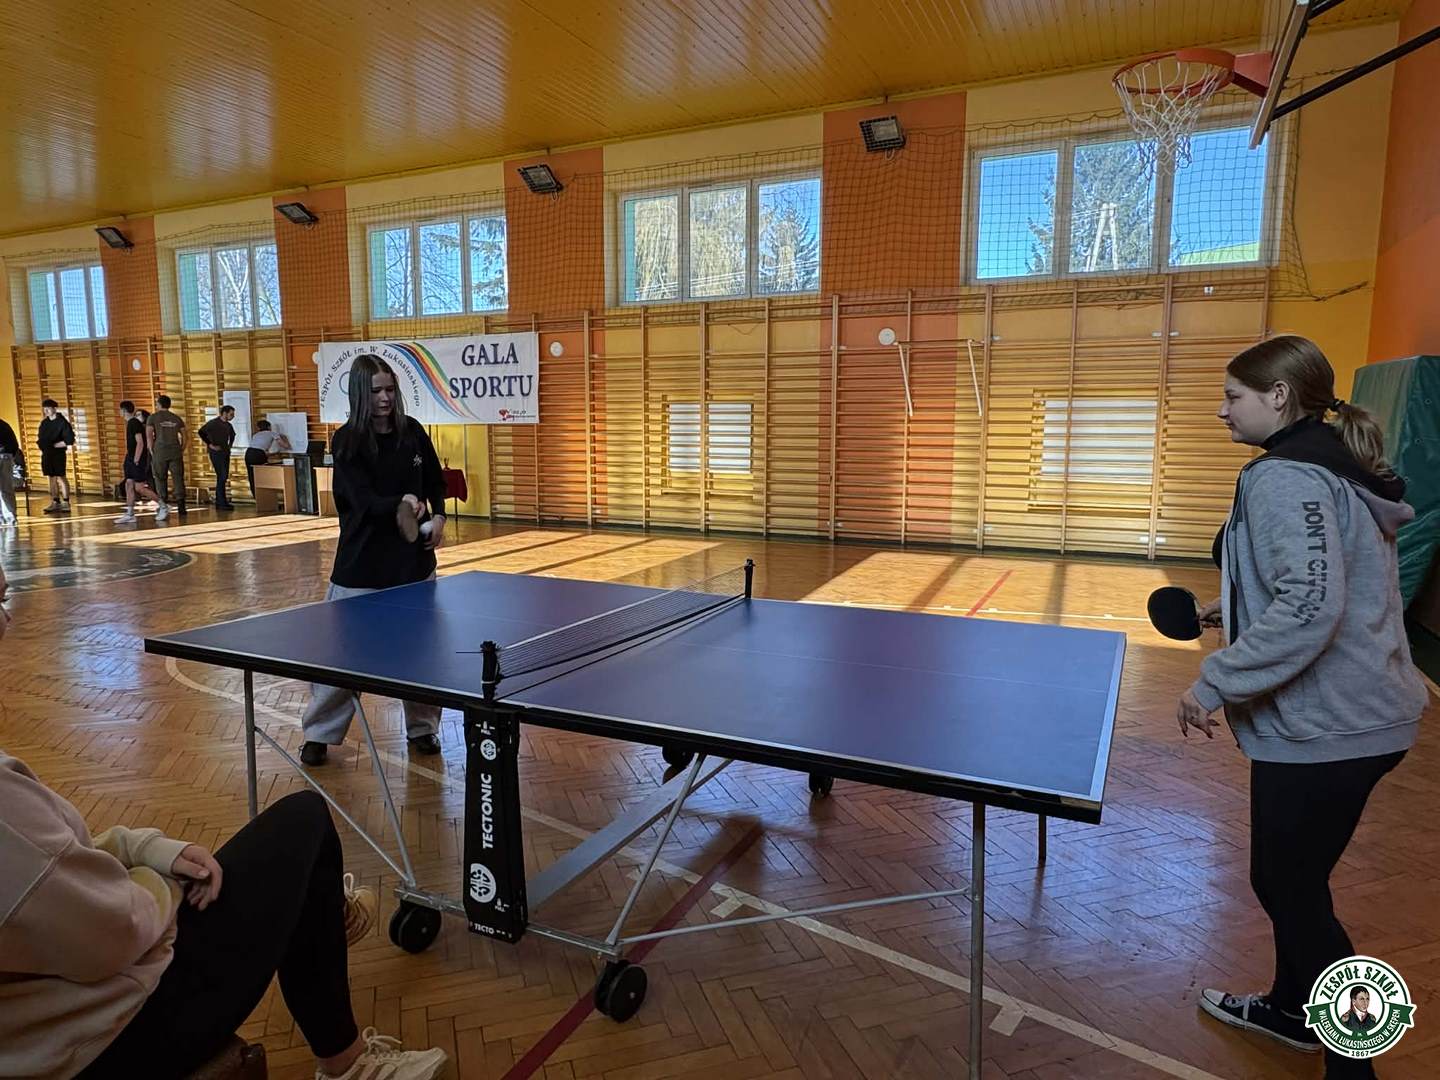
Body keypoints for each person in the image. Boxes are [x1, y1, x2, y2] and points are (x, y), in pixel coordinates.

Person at [0, 560, 446, 1080]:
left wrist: (146, 848)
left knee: (294, 856)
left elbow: (50, 872)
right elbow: (115, 930)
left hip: (56, 1021)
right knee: (305, 822)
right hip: (104, 1040)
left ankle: (315, 911)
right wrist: (164, 881)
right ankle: (343, 1051)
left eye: (6, 598)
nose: (7, 620)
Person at [1182, 336, 1426, 1079]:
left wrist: (1215, 680)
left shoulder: (1284, 477)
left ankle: (1357, 1065)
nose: (1222, 411)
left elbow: (1311, 607)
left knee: (1289, 890)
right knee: (1296, 883)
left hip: (1332, 723)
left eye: (1234, 397)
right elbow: (1331, 583)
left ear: (1280, 396)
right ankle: (1292, 1012)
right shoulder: (1333, 464)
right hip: (1369, 713)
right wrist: (1231, 610)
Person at [300, 354, 447, 767]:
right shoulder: (347, 441)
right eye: (377, 391)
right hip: (361, 567)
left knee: (420, 655)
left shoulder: (412, 432)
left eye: (390, 389)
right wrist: (400, 503)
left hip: (413, 568)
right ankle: (319, 733)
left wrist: (438, 516)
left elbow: (435, 480)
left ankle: (423, 729)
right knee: (342, 656)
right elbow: (361, 501)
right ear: (360, 394)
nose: (385, 398)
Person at [116, 401, 166, 525]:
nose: (119, 412)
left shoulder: (134, 423)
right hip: (130, 457)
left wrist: (136, 459)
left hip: (136, 459)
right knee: (128, 484)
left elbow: (140, 442)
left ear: (124, 410)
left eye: (120, 410)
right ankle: (130, 514)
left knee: (140, 488)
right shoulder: (130, 423)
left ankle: (163, 505)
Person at [146, 395, 187, 516]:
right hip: (175, 451)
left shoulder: (153, 417)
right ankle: (181, 506)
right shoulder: (176, 418)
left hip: (160, 451)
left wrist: (151, 449)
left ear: (159, 404)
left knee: (160, 478)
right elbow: (185, 436)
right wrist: (181, 448)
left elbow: (149, 435)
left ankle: (163, 505)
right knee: (178, 478)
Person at [37, 399, 75, 514]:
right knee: (51, 477)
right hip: (47, 453)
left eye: (48, 408)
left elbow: (69, 440)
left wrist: (54, 445)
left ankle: (66, 502)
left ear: (54, 408)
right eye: (44, 409)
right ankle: (55, 502)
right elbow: (41, 438)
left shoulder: (62, 422)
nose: (46, 411)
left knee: (61, 477)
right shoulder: (44, 423)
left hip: (58, 454)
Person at [197, 405, 237, 510]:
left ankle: (221, 501)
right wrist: (210, 445)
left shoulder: (228, 425)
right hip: (216, 453)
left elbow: (233, 435)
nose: (233, 416)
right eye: (231, 414)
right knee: (222, 475)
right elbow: (201, 432)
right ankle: (221, 501)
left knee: (223, 476)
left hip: (225, 452)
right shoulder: (213, 423)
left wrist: (229, 446)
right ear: (224, 413)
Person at [244, 419, 291, 497]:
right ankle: (265, 497)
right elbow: (285, 446)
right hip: (259, 454)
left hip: (248, 453)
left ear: (259, 428)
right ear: (269, 427)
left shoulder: (256, 435)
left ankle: (256, 497)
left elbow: (260, 450)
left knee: (252, 476)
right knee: (264, 474)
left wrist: (273, 454)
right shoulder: (272, 433)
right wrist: (285, 438)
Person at [0, 414, 20, 528]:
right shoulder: (4, 424)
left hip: (4, 456)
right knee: (6, 488)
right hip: (7, 457)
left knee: (4, 489)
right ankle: (11, 517)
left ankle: (3, 518)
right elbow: (15, 445)